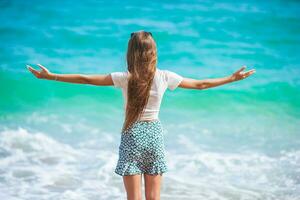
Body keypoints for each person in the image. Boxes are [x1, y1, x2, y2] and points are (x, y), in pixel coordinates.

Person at [27, 30, 256, 200]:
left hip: (132, 135)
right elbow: (201, 84)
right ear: (153, 52)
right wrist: (231, 78)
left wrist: (52, 76)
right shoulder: (165, 76)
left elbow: (87, 79)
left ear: (131, 53)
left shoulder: (124, 78)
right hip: (154, 136)